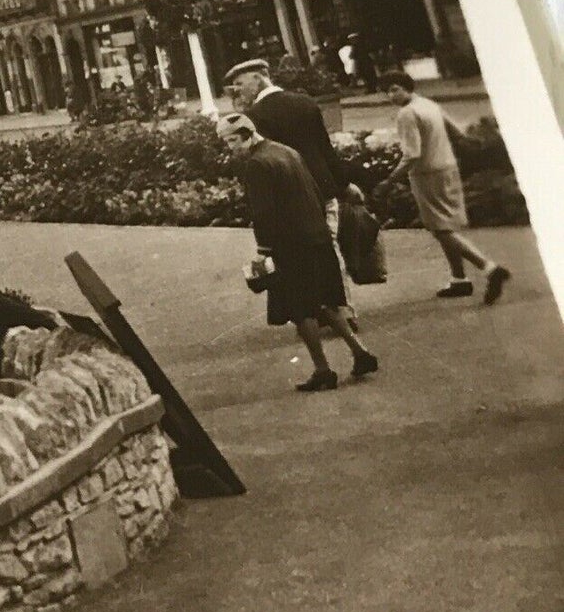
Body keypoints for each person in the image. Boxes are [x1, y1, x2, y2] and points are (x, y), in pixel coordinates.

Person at [217, 112, 378, 392]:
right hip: (316, 236)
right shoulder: (287, 151)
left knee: (301, 309)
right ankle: (359, 351)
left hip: (290, 245)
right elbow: (315, 191)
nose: (230, 147)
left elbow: (263, 212)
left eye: (231, 141)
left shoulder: (257, 164)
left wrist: (262, 250)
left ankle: (322, 369)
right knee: (327, 301)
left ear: (246, 135)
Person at [225, 57, 363, 326]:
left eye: (241, 84)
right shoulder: (305, 102)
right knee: (329, 248)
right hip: (321, 189)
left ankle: (321, 311)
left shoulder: (254, 117)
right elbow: (325, 149)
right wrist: (344, 184)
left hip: (289, 197)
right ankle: (343, 310)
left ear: (259, 78)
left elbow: (260, 160)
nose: (238, 91)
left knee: (299, 254)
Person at [376, 70, 509, 303]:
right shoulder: (428, 104)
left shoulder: (407, 114)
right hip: (448, 167)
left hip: (427, 174)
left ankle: (489, 268)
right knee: (445, 226)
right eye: (387, 91)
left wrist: (390, 181)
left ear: (407, 87)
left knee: (440, 229)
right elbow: (457, 132)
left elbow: (412, 154)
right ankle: (459, 278)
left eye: (395, 89)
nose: (391, 95)